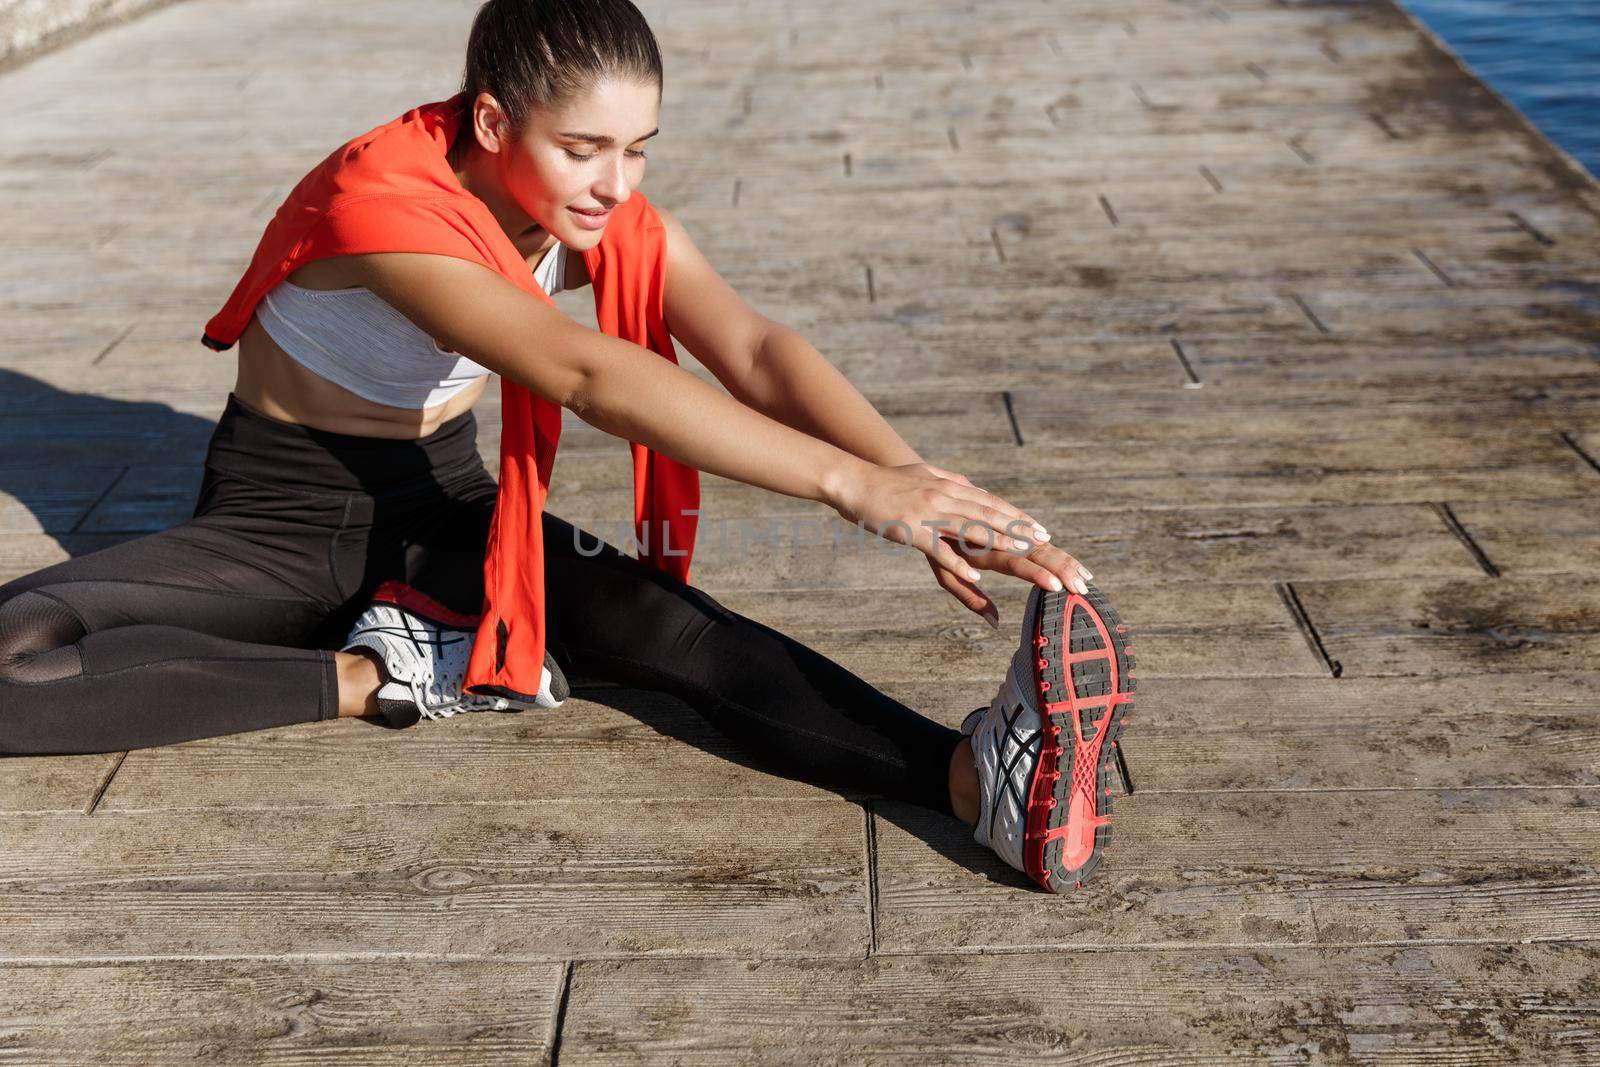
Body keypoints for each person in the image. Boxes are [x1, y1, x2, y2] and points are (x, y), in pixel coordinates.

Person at [0, 0, 1133, 892]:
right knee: (10, 660)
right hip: (279, 519)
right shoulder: (381, 205)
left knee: (667, 628)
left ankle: (980, 772)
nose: (617, 185)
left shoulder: (585, 204)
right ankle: (383, 674)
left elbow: (750, 345)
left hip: (444, 509)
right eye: (585, 147)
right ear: (493, 125)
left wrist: (917, 484)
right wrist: (851, 488)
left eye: (638, 148)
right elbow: (585, 372)